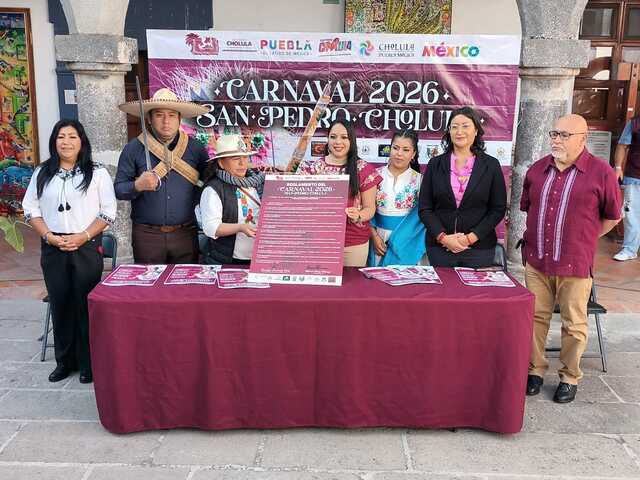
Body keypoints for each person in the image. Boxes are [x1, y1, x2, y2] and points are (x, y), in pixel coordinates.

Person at [522, 114, 621, 403]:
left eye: (564, 135)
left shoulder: (601, 173)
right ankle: (535, 370)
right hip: (537, 260)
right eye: (554, 133)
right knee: (535, 318)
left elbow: (613, 217)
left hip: (574, 264)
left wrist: (585, 239)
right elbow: (527, 207)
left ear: (583, 139)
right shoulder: (538, 169)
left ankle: (569, 377)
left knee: (574, 323)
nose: (556, 139)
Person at [22, 119, 117, 384]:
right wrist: (49, 236)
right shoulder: (42, 172)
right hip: (53, 246)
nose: (66, 142)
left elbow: (108, 212)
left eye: (72, 136)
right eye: (61, 137)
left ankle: (88, 363)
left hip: (86, 245)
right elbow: (30, 208)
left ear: (81, 141)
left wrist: (83, 236)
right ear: (54, 141)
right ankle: (64, 362)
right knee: (60, 303)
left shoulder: (96, 173)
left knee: (85, 304)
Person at [114, 88, 209, 264]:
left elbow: (208, 184)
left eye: (172, 115)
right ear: (149, 119)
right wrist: (137, 186)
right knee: (149, 281)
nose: (166, 121)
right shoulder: (133, 148)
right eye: (159, 115)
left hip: (185, 234)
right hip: (147, 236)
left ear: (179, 118)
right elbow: (119, 189)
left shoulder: (196, 149)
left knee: (185, 281)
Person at [418, 106, 507, 268]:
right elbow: (425, 208)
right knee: (443, 285)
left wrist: (469, 238)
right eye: (454, 127)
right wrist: (444, 238)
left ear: (476, 131)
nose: (459, 132)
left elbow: (497, 209)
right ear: (449, 131)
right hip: (440, 248)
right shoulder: (435, 164)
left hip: (479, 249)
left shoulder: (491, 165)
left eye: (465, 126)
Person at [297, 118, 382, 267]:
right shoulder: (314, 169)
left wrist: (358, 215)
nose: (338, 142)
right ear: (328, 139)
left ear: (351, 140)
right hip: (319, 243)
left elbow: (370, 208)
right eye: (333, 137)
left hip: (353, 244)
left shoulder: (363, 169)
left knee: (351, 282)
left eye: (344, 137)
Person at [199, 134, 265, 264]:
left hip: (261, 259)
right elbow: (211, 228)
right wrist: (240, 227)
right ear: (221, 163)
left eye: (245, 157)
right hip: (231, 260)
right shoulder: (214, 189)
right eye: (235, 159)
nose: (242, 163)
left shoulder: (259, 182)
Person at [368, 129, 425, 266]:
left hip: (408, 242)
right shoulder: (374, 176)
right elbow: (365, 208)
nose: (399, 153)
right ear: (390, 148)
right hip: (378, 238)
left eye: (406, 150)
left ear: (413, 154)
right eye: (395, 148)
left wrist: (403, 238)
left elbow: (424, 216)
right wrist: (373, 236)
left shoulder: (420, 180)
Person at [613, 114, 640, 261]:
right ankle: (630, 249)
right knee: (632, 215)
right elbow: (622, 145)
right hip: (635, 176)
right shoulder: (635, 123)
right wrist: (618, 167)